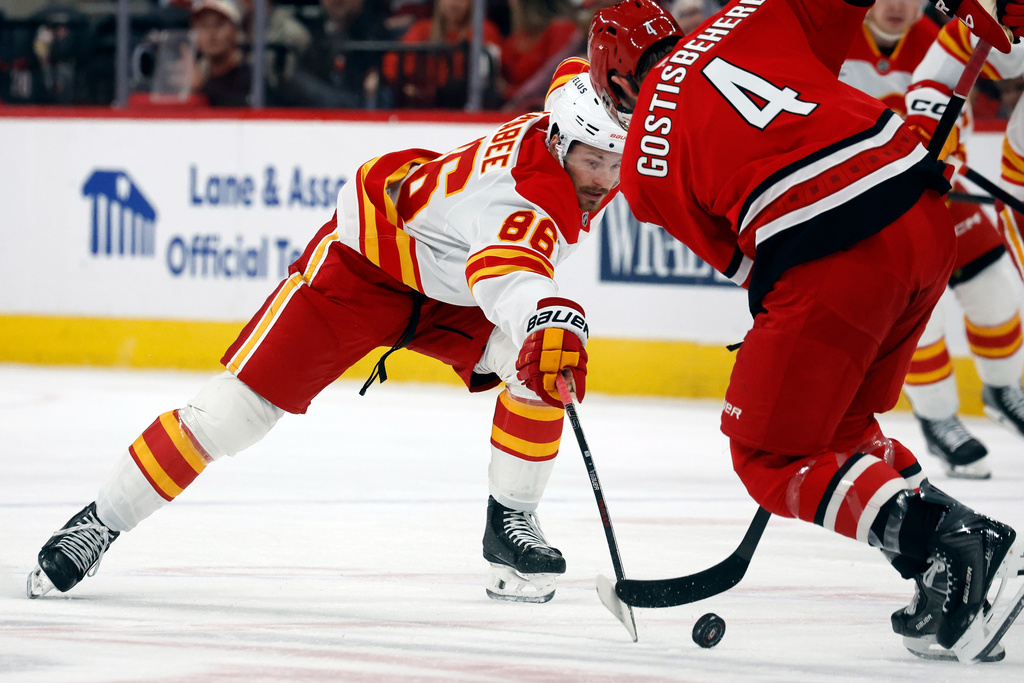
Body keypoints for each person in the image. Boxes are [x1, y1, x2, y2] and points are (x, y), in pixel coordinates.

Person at [26, 65, 623, 606]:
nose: (603, 178)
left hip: (449, 276)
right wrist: (551, 318)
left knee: (537, 367)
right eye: (592, 161)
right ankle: (99, 522)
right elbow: (509, 283)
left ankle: (509, 528)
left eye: (615, 161)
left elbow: (586, 73)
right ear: (559, 140)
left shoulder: (568, 112)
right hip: (365, 268)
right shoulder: (521, 202)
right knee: (231, 414)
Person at [586, 0, 1024, 663]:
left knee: (768, 454)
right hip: (921, 213)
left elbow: (754, 264)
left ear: (616, 84)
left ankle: (957, 544)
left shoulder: (644, 166)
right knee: (839, 433)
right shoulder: (748, 12)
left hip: (837, 254)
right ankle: (946, 570)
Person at [878, 18, 1024, 478]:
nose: (896, 4)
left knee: (996, 291)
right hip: (874, 200)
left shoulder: (928, 35)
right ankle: (937, 415)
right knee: (923, 312)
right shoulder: (831, 40)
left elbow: (961, 90)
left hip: (941, 187)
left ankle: (1003, 390)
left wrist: (944, 152)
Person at [381, 0, 504, 108]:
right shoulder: (422, 30)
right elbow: (393, 64)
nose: (454, 3)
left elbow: (503, 77)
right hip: (425, 108)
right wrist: (407, 83)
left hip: (467, 108)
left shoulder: (483, 31)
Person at [283, 0, 391, 108]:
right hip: (318, 108)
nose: (337, 1)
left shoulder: (373, 34)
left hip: (357, 108)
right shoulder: (310, 31)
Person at [501, 0, 581, 111]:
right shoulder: (515, 37)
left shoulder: (561, 30)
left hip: (542, 110)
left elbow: (552, 78)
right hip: (512, 108)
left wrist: (510, 94)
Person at [191, 0, 252, 106]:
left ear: (236, 32)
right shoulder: (192, 75)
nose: (211, 33)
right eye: (204, 25)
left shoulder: (251, 81)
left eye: (219, 24)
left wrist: (199, 90)